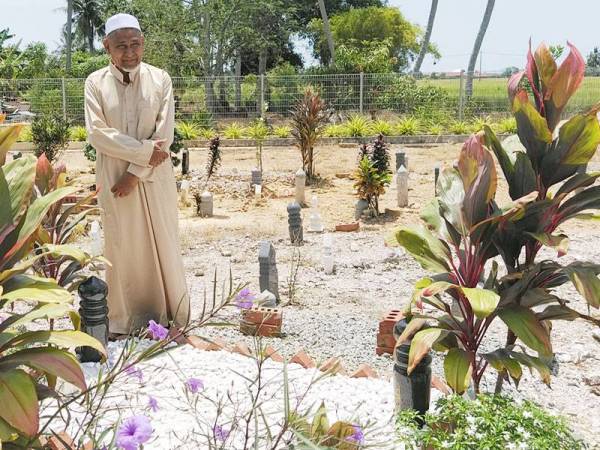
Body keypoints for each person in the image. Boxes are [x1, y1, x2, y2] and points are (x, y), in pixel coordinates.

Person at [84, 13, 189, 338]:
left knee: (162, 243)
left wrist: (135, 172)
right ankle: (124, 320)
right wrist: (141, 156)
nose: (129, 52)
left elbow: (164, 136)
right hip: (114, 179)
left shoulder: (161, 79)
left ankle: (171, 316)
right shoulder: (95, 83)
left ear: (143, 43)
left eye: (135, 44)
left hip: (154, 180)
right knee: (121, 246)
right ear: (107, 47)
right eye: (121, 46)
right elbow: (97, 134)